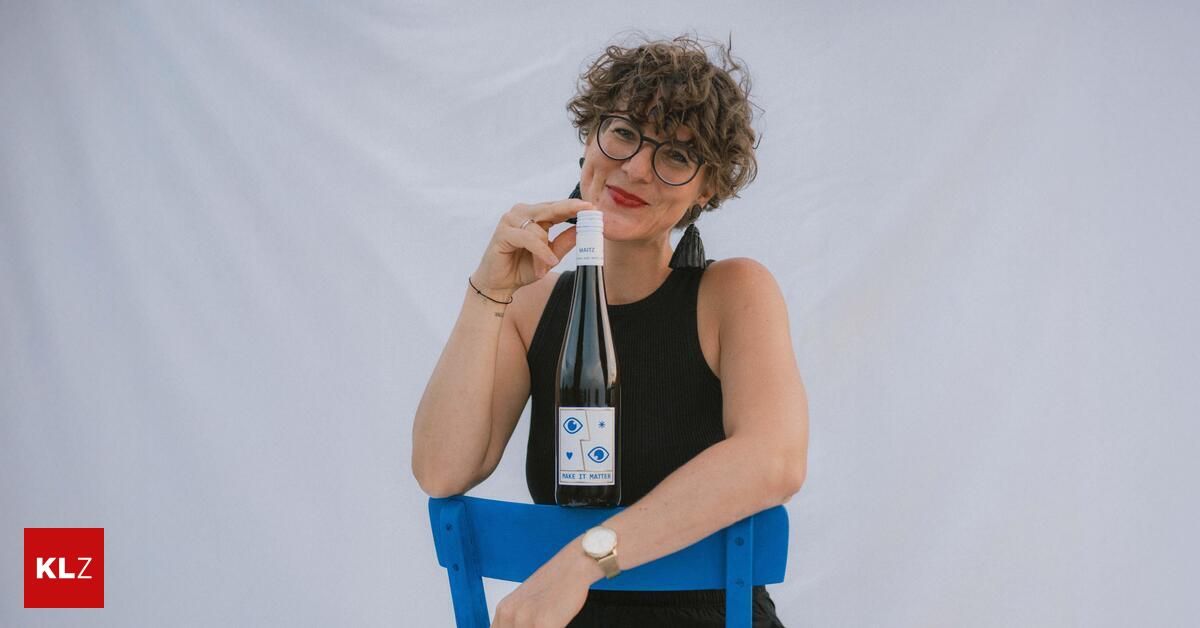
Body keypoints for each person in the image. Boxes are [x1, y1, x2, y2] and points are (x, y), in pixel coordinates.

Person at [413, 34, 809, 628]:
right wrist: (490, 292)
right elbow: (441, 470)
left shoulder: (732, 293)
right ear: (590, 136)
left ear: (707, 189)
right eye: (624, 132)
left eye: (676, 156)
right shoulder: (530, 305)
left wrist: (584, 560)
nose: (636, 167)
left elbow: (773, 459)